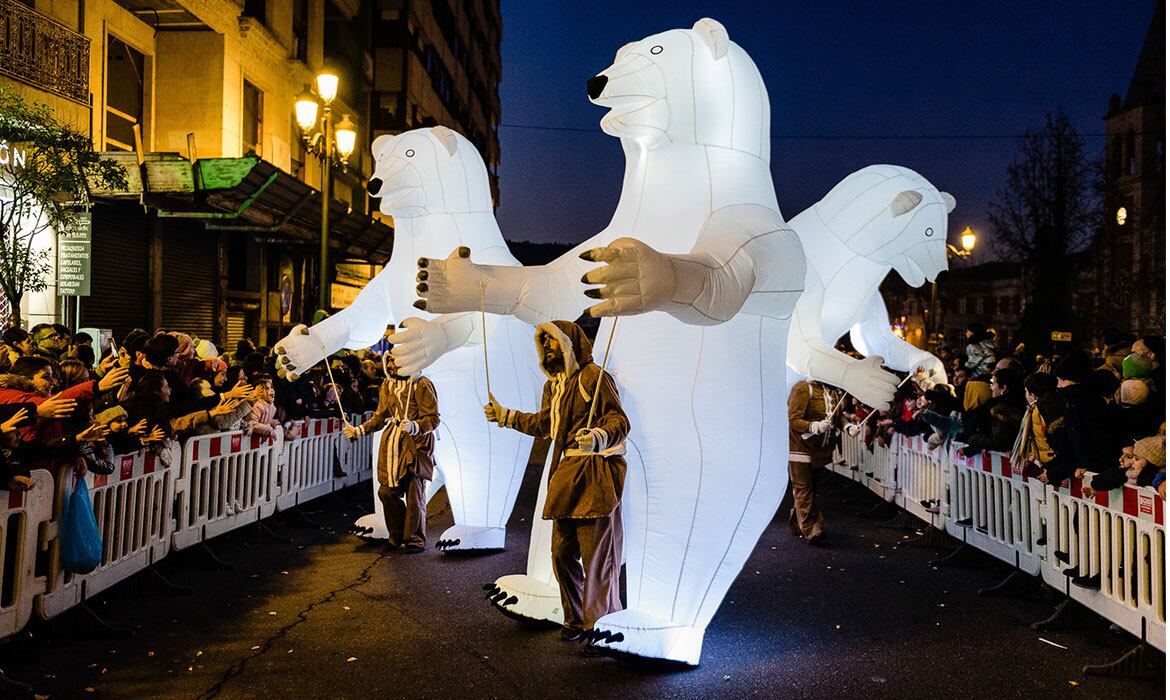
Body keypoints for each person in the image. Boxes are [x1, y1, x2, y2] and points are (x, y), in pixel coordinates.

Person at [484, 320, 629, 648]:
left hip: (594, 475)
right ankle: (575, 618)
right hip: (565, 477)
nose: (548, 347)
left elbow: (618, 420)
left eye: (552, 341)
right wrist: (505, 416)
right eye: (543, 342)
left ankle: (599, 630)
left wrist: (598, 436)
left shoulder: (594, 377)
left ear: (569, 344)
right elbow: (544, 424)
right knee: (561, 553)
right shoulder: (554, 387)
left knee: (597, 559)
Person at [344, 355, 439, 553]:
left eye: (395, 362)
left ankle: (414, 539)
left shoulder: (422, 384)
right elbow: (380, 416)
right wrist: (359, 430)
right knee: (386, 492)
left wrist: (415, 426)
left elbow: (433, 418)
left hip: (416, 445)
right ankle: (396, 534)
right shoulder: (388, 384)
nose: (391, 366)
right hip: (392, 445)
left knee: (414, 495)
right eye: (389, 363)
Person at [786, 380, 838, 543]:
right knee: (803, 488)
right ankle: (812, 529)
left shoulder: (832, 391)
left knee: (811, 489)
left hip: (818, 450)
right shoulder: (802, 388)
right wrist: (812, 425)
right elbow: (793, 419)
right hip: (799, 448)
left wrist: (848, 425)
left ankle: (796, 522)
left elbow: (837, 416)